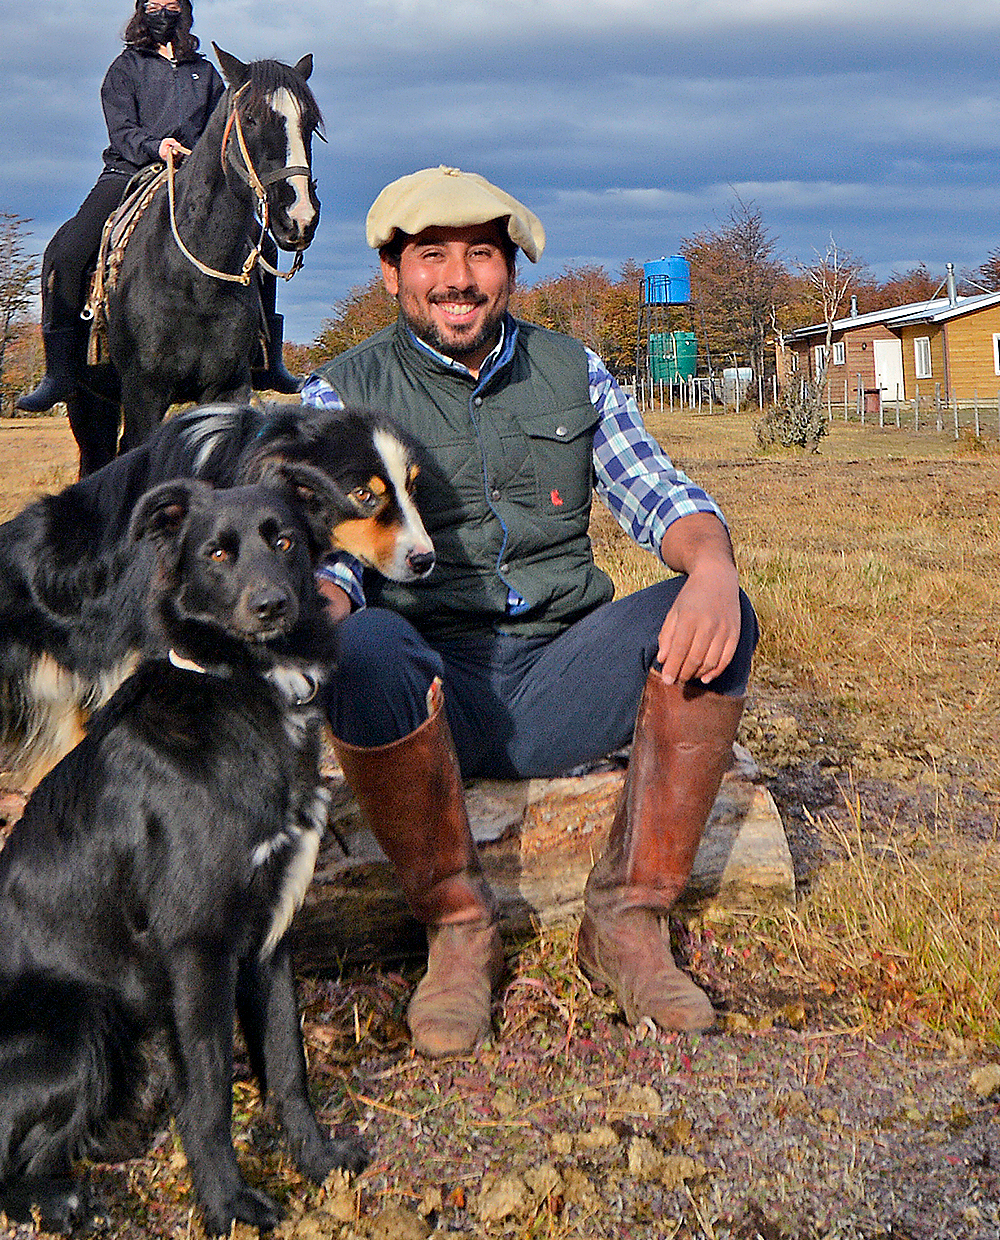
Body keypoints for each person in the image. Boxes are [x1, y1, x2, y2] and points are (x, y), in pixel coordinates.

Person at [304, 166, 755, 1053]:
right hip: (430, 697)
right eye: (431, 256)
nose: (459, 277)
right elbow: (340, 554)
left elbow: (655, 491)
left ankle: (628, 919)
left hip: (567, 670)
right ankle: (459, 930)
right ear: (393, 275)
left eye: (482, 253)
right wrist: (315, 605)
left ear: (510, 270)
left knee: (721, 607)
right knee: (360, 644)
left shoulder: (570, 370)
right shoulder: (337, 396)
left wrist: (712, 566)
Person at [7, 0, 291, 415]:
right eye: (153, 8)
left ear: (186, 13)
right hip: (129, 172)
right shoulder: (126, 68)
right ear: (140, 13)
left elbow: (221, 132)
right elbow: (121, 129)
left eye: (172, 8)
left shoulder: (207, 74)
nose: (163, 15)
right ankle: (58, 372)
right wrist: (154, 146)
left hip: (196, 178)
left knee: (262, 244)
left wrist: (199, 157)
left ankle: (268, 360)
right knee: (67, 249)